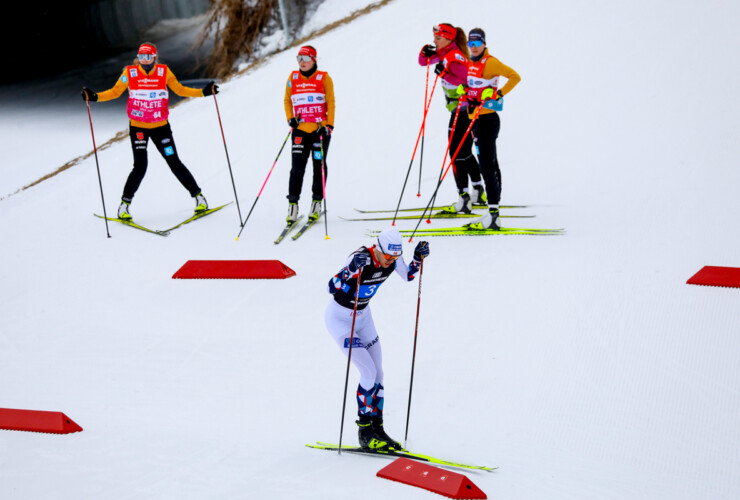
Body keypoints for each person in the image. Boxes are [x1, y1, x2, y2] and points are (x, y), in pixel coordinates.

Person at [81, 42, 218, 220]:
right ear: (138, 58)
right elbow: (115, 92)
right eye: (141, 57)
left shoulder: (163, 72)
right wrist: (95, 97)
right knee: (140, 167)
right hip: (138, 128)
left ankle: (199, 199)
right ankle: (124, 206)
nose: (144, 61)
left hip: (161, 128)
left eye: (148, 57)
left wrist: (204, 92)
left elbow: (180, 89)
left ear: (155, 57)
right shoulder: (129, 73)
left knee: (174, 162)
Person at [325, 228, 430, 450]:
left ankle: (378, 427)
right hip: (341, 320)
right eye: (387, 257)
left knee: (379, 373)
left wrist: (417, 258)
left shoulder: (392, 258)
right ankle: (364, 432)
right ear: (378, 249)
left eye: (394, 257)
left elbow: (409, 275)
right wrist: (351, 270)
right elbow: (331, 287)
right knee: (368, 372)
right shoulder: (359, 258)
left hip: (363, 318)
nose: (389, 262)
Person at [419, 23, 484, 213]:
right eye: (434, 38)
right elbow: (423, 63)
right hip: (460, 110)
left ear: (448, 39)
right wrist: (424, 53)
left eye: (437, 38)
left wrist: (445, 72)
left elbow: (465, 80)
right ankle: (478, 190)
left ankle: (464, 197)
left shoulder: (454, 57)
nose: (434, 41)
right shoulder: (444, 53)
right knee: (463, 152)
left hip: (463, 110)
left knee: (456, 154)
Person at [462, 28, 521, 229]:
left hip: (488, 121)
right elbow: (473, 88)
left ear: (484, 44)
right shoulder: (471, 63)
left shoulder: (491, 62)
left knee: (486, 166)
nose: (474, 47)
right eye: (471, 44)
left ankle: (493, 214)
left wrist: (499, 93)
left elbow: (515, 76)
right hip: (476, 121)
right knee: (490, 164)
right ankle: (494, 209)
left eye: (477, 44)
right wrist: (466, 92)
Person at [284, 45, 336, 225]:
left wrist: (329, 125)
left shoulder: (324, 78)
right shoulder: (293, 77)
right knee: (296, 168)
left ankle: (316, 202)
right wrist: (290, 119)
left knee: (318, 166)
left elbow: (331, 102)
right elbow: (287, 100)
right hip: (300, 131)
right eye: (299, 58)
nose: (301, 62)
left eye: (305, 59)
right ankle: (293, 205)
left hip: (319, 131)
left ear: (314, 59)